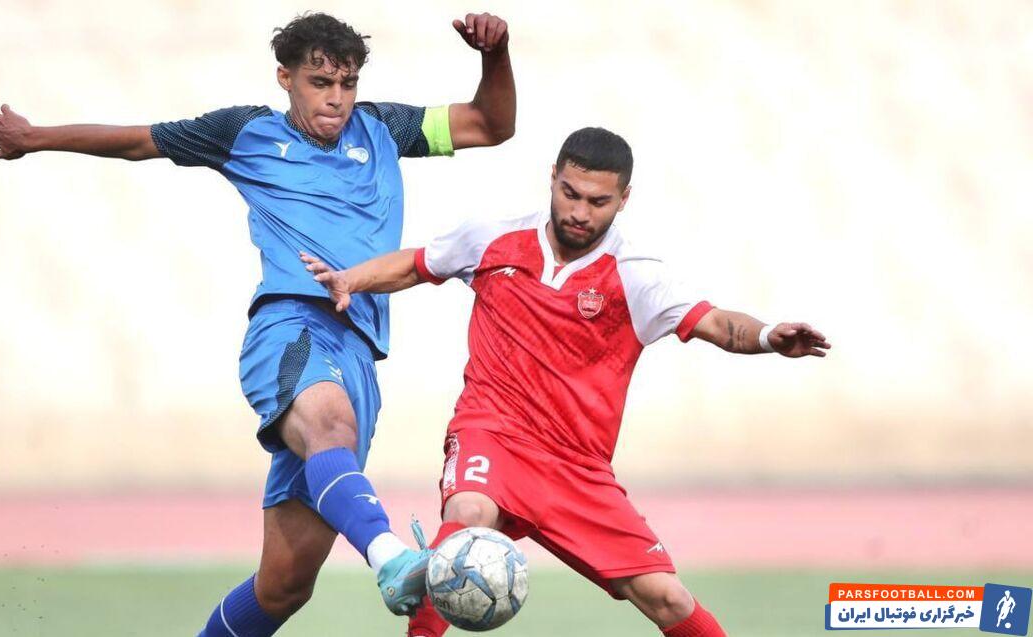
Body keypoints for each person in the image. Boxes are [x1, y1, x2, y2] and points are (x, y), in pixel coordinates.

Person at [0, 11, 516, 636]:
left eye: (347, 84)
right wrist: (35, 137)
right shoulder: (245, 132)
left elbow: (491, 125)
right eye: (320, 82)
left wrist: (495, 55)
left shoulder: (385, 129)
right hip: (291, 329)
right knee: (330, 426)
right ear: (286, 78)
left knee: (283, 587)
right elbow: (136, 141)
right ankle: (391, 556)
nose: (336, 99)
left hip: (359, 353)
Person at [302, 126, 831, 637]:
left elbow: (715, 323)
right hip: (494, 434)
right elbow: (418, 265)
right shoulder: (494, 237)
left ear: (624, 199)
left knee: (668, 599)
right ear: (552, 177)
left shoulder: (636, 274)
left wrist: (768, 337)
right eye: (570, 193)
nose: (579, 212)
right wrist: (350, 280)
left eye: (598, 202)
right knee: (464, 526)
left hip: (576, 468)